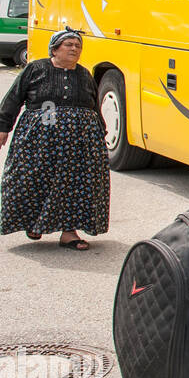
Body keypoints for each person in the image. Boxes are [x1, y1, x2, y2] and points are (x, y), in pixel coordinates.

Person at [0, 27, 109, 250]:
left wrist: (101, 131)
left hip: (80, 143)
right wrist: (3, 127)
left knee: (74, 185)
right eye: (68, 44)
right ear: (55, 48)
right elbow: (14, 98)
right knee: (32, 178)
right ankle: (35, 223)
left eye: (78, 46)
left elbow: (93, 105)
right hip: (38, 141)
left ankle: (69, 233)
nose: (74, 49)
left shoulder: (84, 74)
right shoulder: (36, 69)